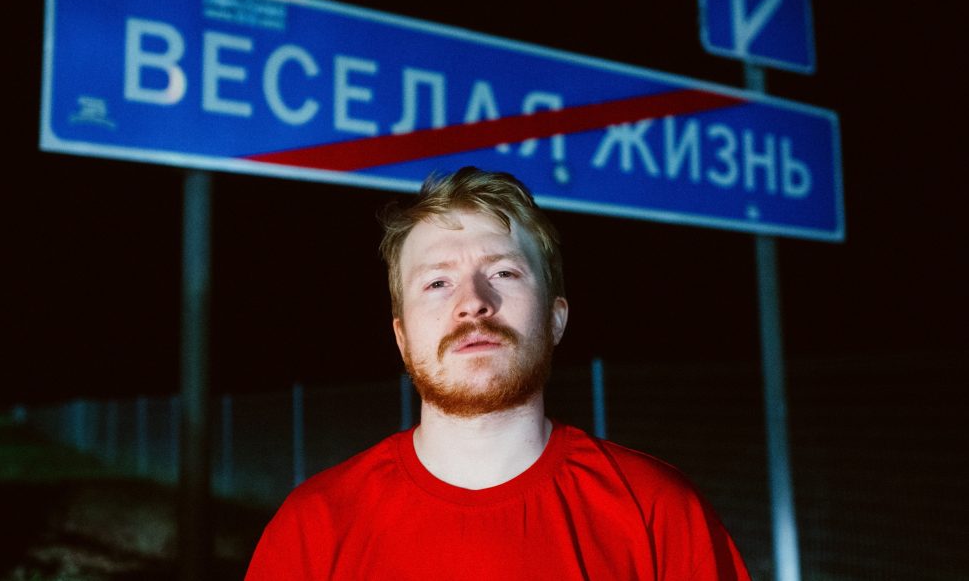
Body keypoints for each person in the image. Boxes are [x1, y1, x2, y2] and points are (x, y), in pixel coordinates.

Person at [245, 167, 752, 580]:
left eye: (504, 273)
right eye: (438, 282)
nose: (473, 303)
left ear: (555, 318)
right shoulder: (313, 527)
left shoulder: (659, 512)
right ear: (401, 336)